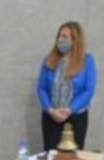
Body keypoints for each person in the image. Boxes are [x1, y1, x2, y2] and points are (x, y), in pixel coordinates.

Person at [37, 21, 97, 151]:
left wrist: (70, 109)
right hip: (51, 117)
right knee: (51, 158)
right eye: (59, 36)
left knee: (73, 159)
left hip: (76, 118)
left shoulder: (87, 61)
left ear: (75, 40)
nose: (60, 39)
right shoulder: (49, 60)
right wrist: (50, 110)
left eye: (64, 36)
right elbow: (41, 88)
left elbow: (89, 90)